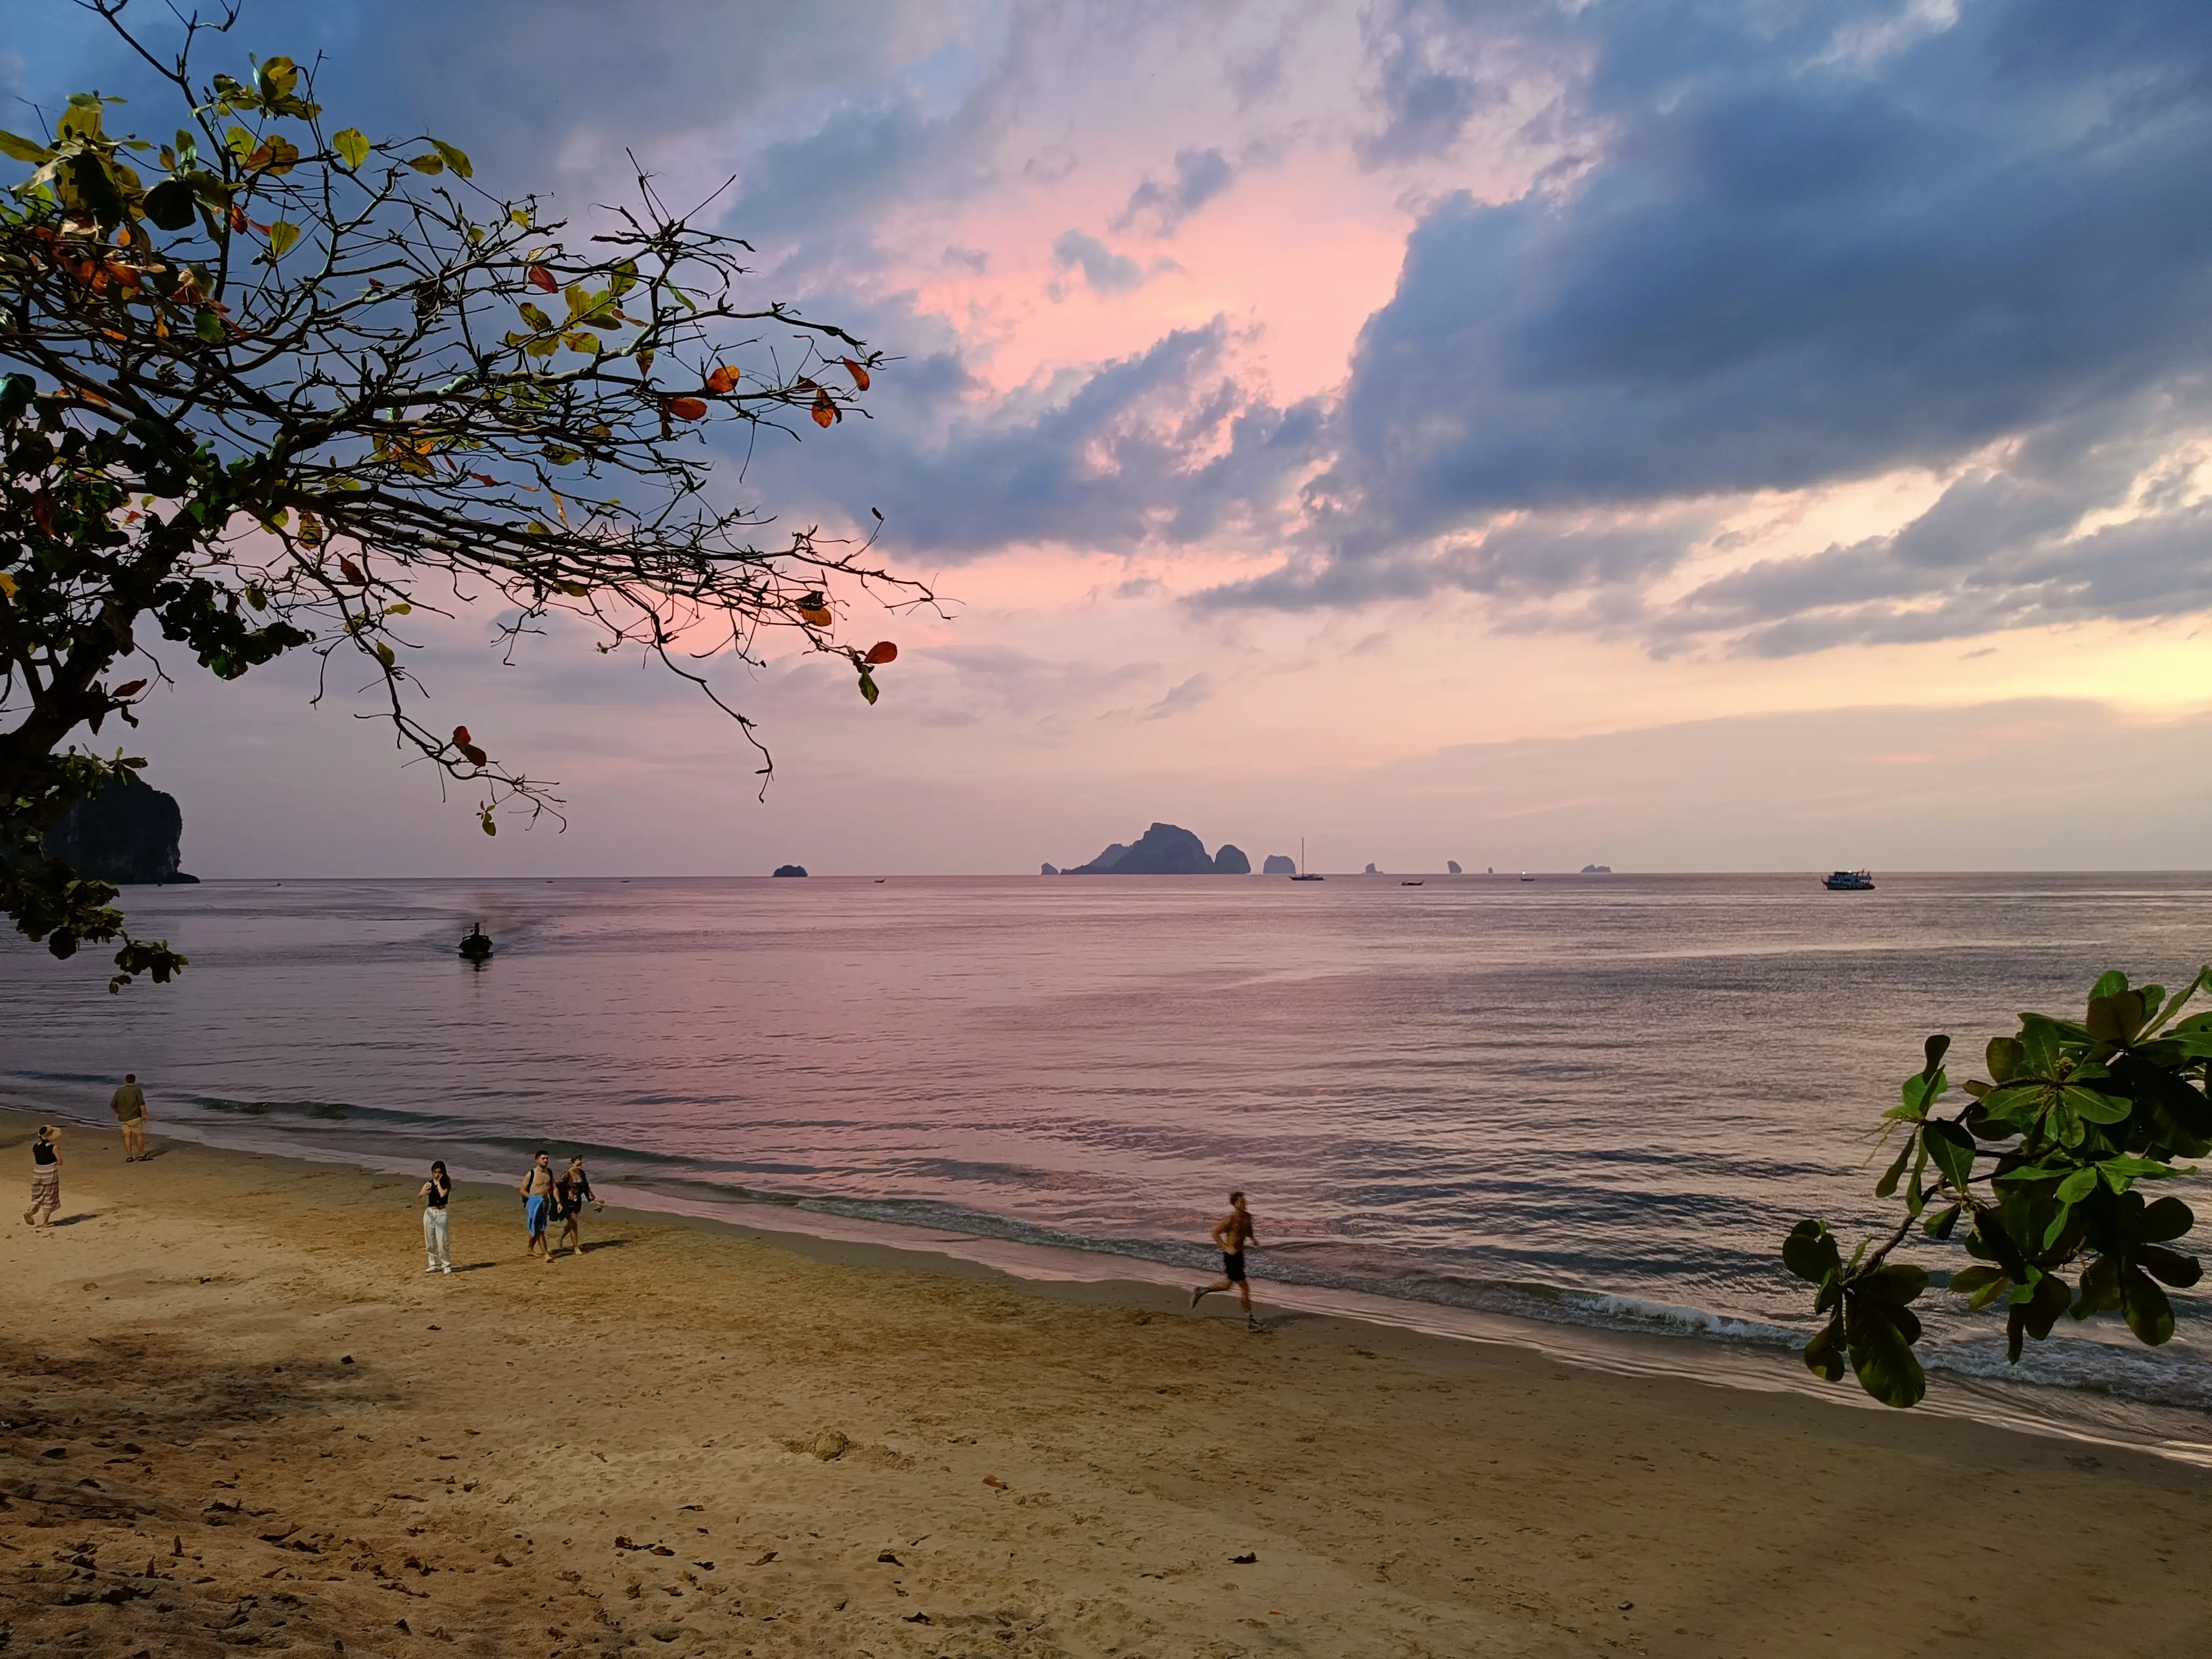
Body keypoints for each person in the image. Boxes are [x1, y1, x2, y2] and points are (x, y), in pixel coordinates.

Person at [1189, 1190, 1261, 1326]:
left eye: (1245, 1201)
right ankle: (1251, 1320)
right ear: (1235, 1204)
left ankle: (1202, 1291)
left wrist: (1253, 1239)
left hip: (1239, 1255)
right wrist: (1226, 1247)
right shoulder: (1230, 1220)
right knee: (1244, 1287)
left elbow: (1248, 1229)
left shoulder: (1248, 1216)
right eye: (1242, 1202)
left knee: (1227, 1285)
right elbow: (1215, 1234)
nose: (1245, 1203)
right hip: (1231, 1256)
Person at [553, 1155, 603, 1260]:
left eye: (581, 1165)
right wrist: (563, 1197)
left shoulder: (582, 1173)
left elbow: (586, 1188)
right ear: (571, 1164)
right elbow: (557, 1186)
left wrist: (593, 1200)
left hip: (577, 1202)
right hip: (568, 1202)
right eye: (577, 1165)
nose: (579, 1167)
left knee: (571, 1224)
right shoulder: (567, 1175)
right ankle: (576, 1248)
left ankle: (560, 1239)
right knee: (574, 1224)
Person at [518, 1150, 556, 1263]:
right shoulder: (531, 1174)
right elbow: (522, 1191)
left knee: (536, 1227)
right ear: (537, 1160)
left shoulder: (549, 1173)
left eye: (547, 1159)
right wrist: (534, 1199)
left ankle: (530, 1249)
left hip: (545, 1203)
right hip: (534, 1204)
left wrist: (558, 1202)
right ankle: (547, 1255)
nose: (546, 1160)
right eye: (543, 1158)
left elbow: (553, 1188)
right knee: (541, 1229)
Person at [24, 1125, 61, 1229]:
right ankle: (45, 1223)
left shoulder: (35, 1146)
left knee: (38, 1195)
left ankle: (30, 1212)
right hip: (49, 1173)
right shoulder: (54, 1148)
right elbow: (60, 1162)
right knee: (49, 1196)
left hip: (38, 1172)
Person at [420, 1160, 453, 1274]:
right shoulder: (429, 1184)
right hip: (430, 1213)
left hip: (441, 1213)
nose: (436, 1175)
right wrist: (423, 1193)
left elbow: (443, 1195)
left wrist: (438, 1183)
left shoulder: (446, 1183)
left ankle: (446, 1264)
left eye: (439, 1172)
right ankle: (433, 1264)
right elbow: (420, 1194)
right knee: (430, 1240)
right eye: (434, 1172)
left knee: (442, 1241)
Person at [110, 1073, 148, 1162]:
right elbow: (142, 1104)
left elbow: (113, 1104)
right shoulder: (137, 1090)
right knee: (139, 1135)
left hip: (123, 1117)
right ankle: (142, 1155)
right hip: (135, 1116)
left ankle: (130, 1156)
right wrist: (145, 1114)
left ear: (126, 1081)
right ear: (134, 1081)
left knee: (127, 1136)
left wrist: (117, 1112)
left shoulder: (120, 1091)